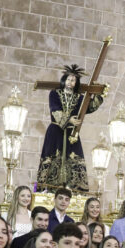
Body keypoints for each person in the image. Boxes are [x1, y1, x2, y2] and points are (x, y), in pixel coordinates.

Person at [38, 64, 104, 192]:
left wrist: (97, 94)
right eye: (68, 79)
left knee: (74, 158)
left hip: (72, 134)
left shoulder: (79, 97)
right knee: (51, 157)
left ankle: (75, 190)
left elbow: (88, 108)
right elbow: (54, 110)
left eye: (73, 80)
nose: (70, 82)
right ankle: (47, 188)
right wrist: (68, 120)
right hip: (56, 130)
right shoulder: (55, 93)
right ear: (64, 80)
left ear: (76, 82)